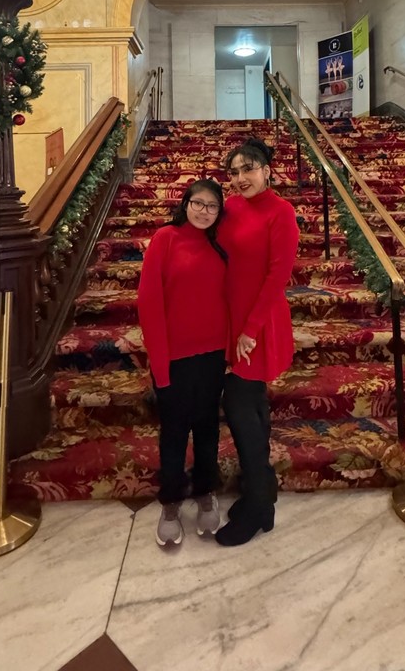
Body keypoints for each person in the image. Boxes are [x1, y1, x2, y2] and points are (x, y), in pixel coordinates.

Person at [216, 138, 299, 547]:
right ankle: (263, 488)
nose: (240, 178)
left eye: (248, 168)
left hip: (259, 323)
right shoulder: (229, 207)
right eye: (233, 171)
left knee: (238, 403)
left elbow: (277, 276)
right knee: (253, 404)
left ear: (267, 170)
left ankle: (257, 505)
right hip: (230, 320)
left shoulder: (281, 213)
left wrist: (250, 329)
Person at [138, 179, 229, 547]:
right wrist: (159, 362)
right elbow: (149, 303)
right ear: (185, 203)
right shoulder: (166, 239)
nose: (204, 211)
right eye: (198, 203)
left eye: (212, 206)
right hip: (173, 356)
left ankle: (206, 491)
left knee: (207, 428)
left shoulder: (221, 245)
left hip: (212, 355)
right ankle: (172, 501)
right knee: (174, 432)